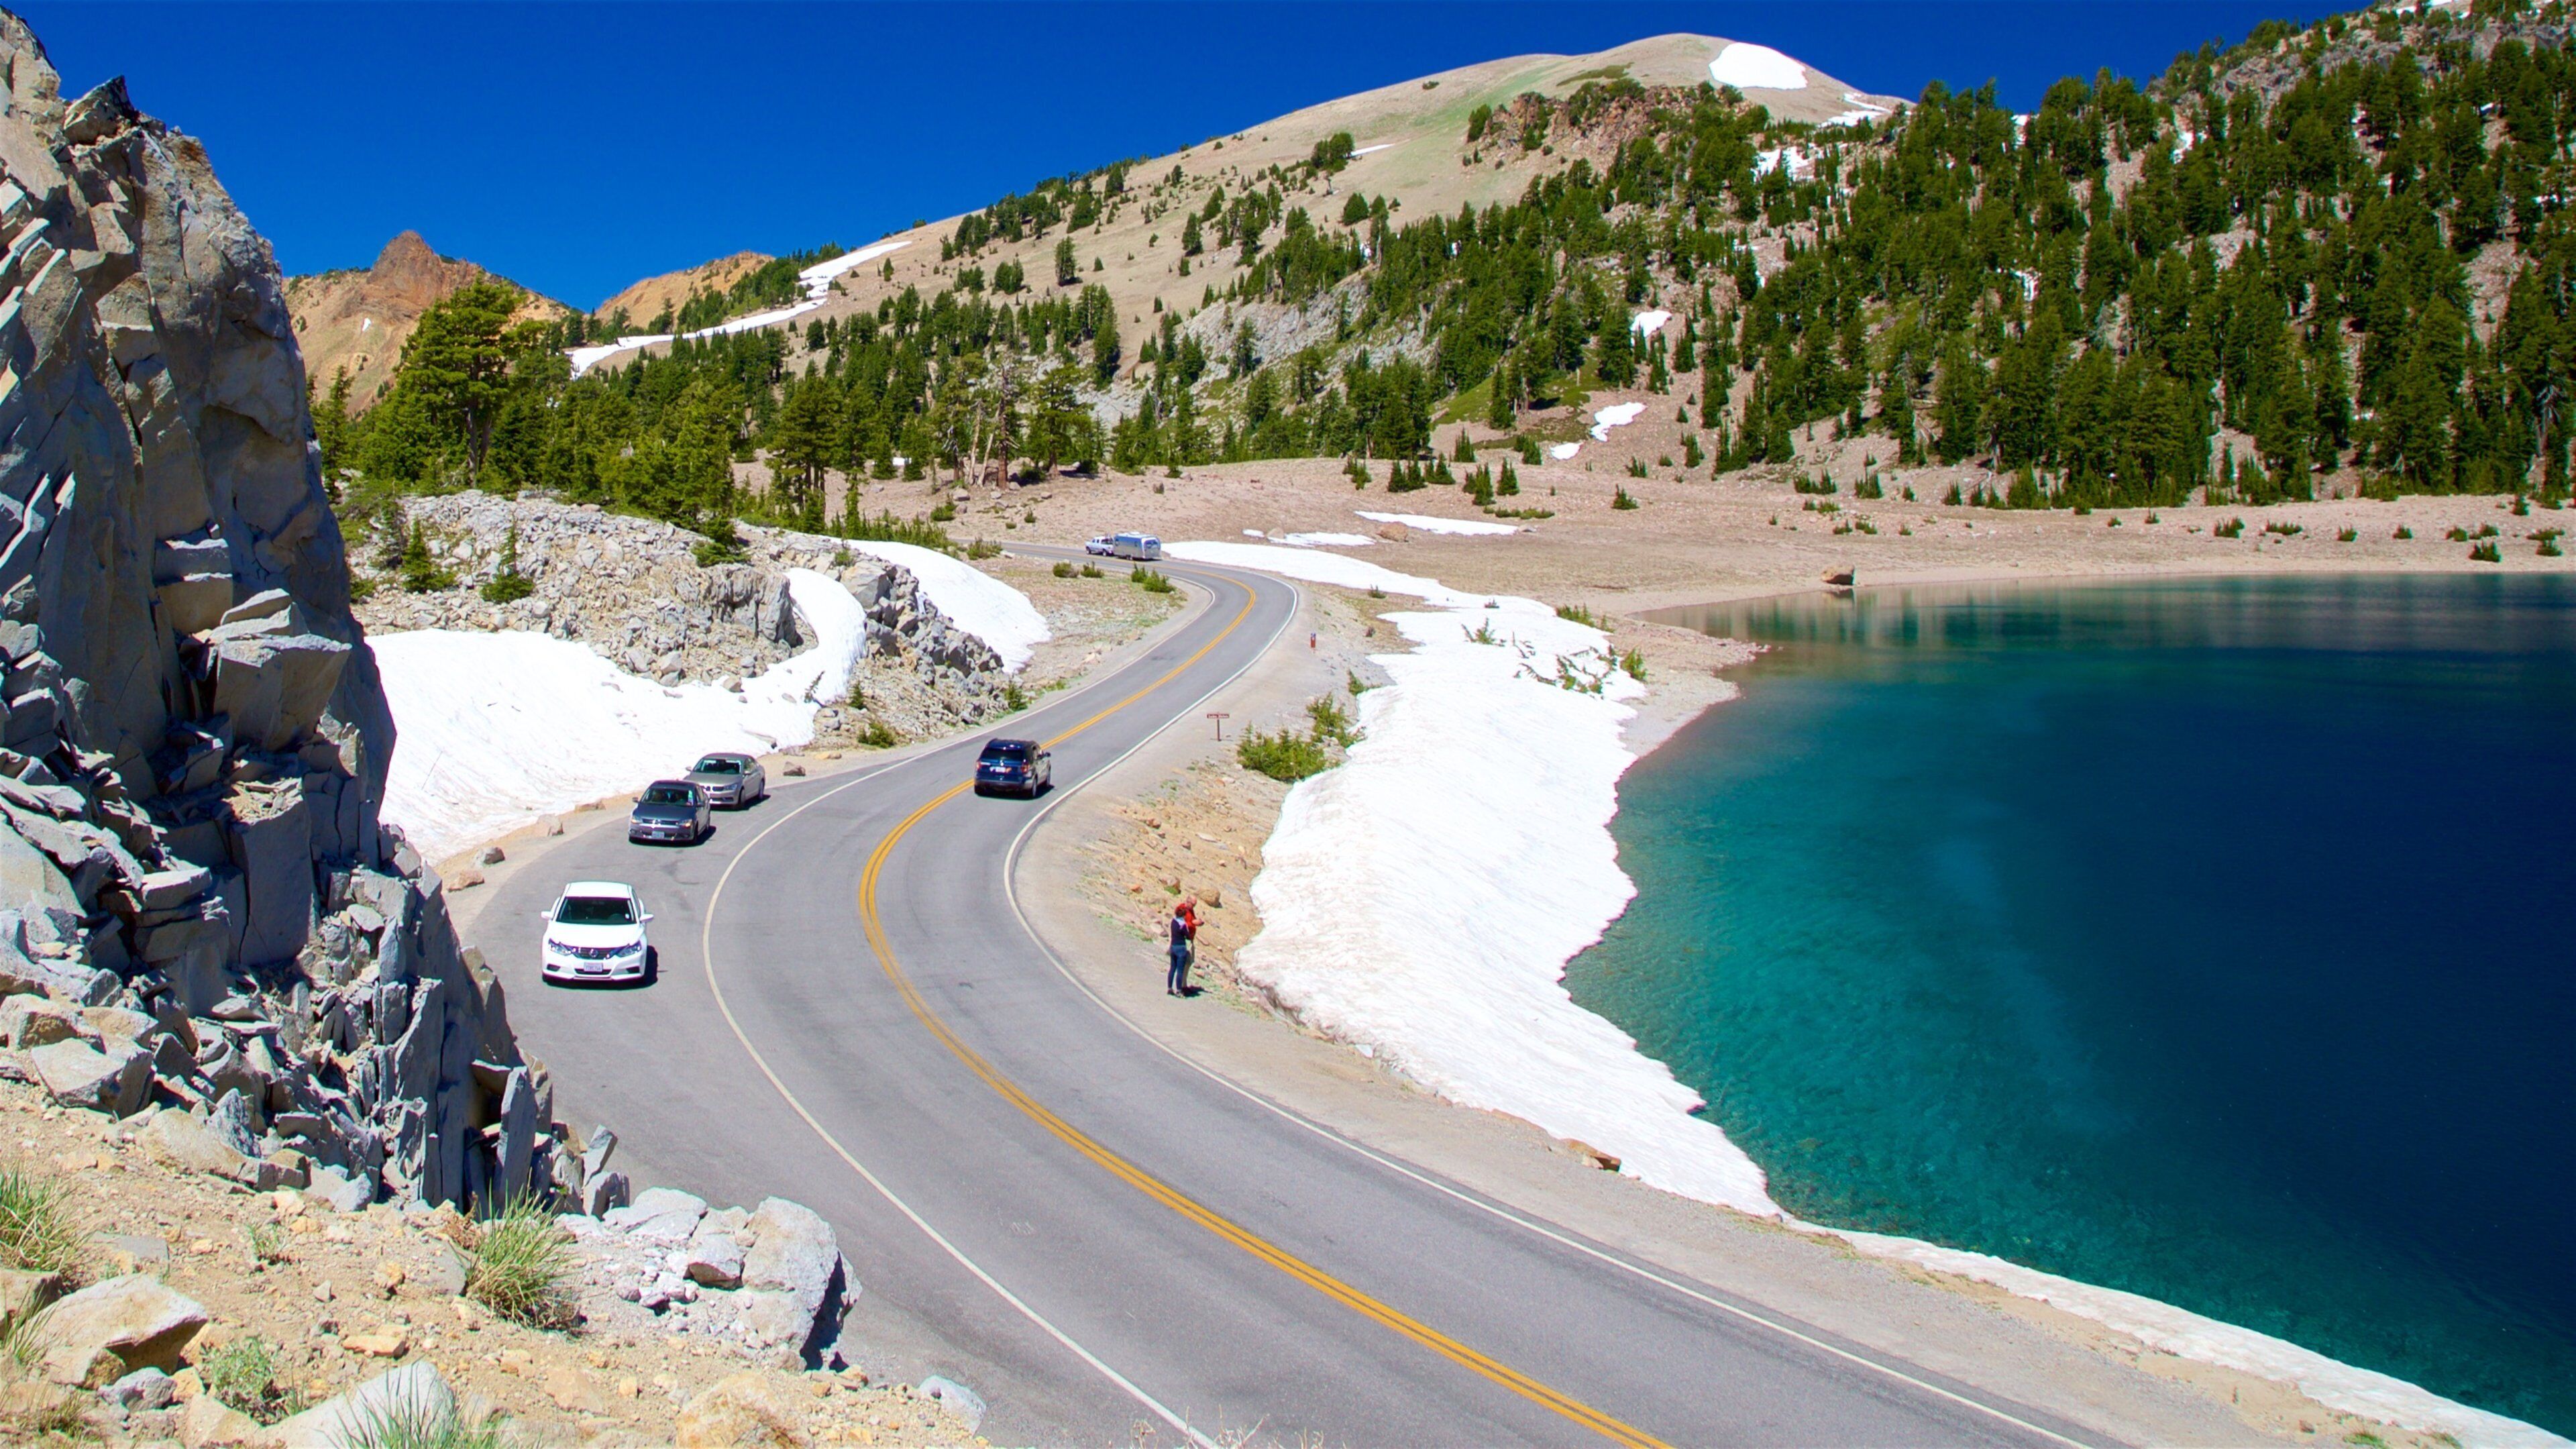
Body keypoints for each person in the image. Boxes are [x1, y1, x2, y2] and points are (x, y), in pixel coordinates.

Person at [1166, 900, 1195, 996]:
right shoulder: (1183, 925)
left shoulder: (1173, 922)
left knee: (1172, 969)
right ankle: (1179, 990)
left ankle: (1170, 988)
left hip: (1173, 946)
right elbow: (1187, 936)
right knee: (1180, 971)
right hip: (1181, 948)